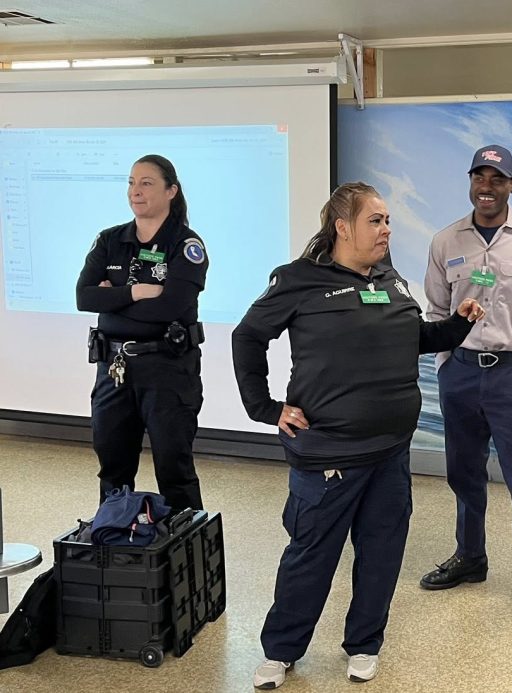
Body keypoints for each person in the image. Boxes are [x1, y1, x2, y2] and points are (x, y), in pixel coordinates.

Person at [232, 182, 484, 689]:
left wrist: (455, 326)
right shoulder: (299, 280)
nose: (387, 230)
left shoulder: (391, 281)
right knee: (310, 556)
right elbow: (248, 336)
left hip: (390, 451)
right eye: (376, 220)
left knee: (382, 551)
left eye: (388, 220)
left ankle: (364, 642)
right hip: (328, 452)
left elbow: (415, 339)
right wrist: (265, 408)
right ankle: (282, 650)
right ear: (342, 227)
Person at [419, 144, 512, 618]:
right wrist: (446, 364)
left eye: (496, 179)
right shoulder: (446, 241)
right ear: (470, 182)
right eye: (479, 178)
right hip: (461, 374)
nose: (486, 187)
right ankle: (470, 557)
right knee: (463, 474)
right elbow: (436, 310)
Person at [75, 154, 208, 512]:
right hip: (113, 369)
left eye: (147, 183)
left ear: (171, 191)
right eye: (132, 182)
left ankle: (186, 561)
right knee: (113, 470)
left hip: (166, 369)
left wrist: (111, 297)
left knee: (173, 470)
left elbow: (168, 308)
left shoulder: (185, 245)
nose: (136, 191)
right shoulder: (110, 240)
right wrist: (135, 292)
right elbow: (84, 297)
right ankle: (116, 547)